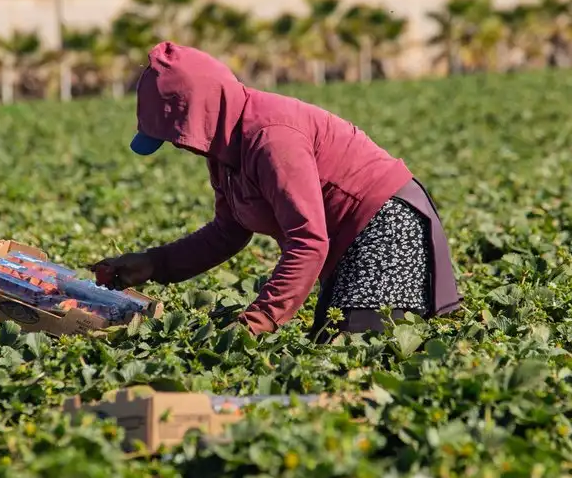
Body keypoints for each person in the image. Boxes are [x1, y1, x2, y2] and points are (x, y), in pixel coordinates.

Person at [92, 41, 462, 339]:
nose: (176, 145)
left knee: (357, 351)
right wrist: (154, 263)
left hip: (386, 229)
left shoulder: (271, 138)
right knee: (329, 345)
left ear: (201, 114)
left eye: (176, 134)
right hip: (345, 244)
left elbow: (308, 240)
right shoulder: (224, 149)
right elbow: (227, 232)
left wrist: (258, 321)